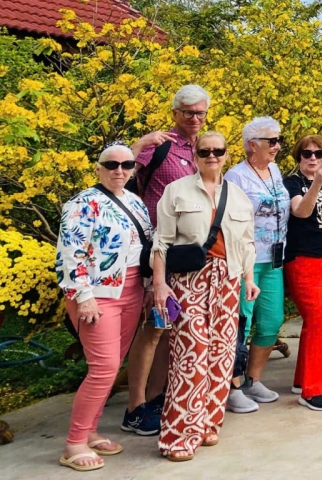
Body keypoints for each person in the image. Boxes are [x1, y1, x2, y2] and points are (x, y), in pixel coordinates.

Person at [152, 132, 257, 461]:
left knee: (222, 356)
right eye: (204, 151)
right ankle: (177, 436)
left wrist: (250, 279)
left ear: (227, 154)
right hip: (189, 281)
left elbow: (247, 243)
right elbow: (161, 242)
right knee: (190, 357)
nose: (212, 156)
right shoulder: (177, 191)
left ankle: (208, 422)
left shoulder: (238, 196)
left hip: (227, 281)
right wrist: (159, 284)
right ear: (194, 155)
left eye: (218, 151)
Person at [55, 144, 153, 470]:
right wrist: (82, 295)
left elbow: (147, 246)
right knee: (104, 368)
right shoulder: (83, 203)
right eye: (111, 164)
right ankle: (75, 442)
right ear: (98, 168)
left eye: (127, 164)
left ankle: (91, 432)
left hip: (132, 289)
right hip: (97, 294)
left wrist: (151, 286)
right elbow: (70, 252)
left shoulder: (135, 202)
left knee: (113, 363)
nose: (119, 170)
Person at [122, 83, 210, 436]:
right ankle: (135, 407)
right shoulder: (161, 147)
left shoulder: (203, 149)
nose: (194, 118)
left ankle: (157, 398)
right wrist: (140, 144)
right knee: (154, 325)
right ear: (175, 113)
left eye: (200, 112)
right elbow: (121, 173)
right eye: (188, 112)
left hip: (187, 253)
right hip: (156, 249)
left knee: (170, 325)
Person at [223, 117, 289, 413]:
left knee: (271, 321)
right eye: (271, 141)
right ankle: (232, 386)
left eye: (278, 140)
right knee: (240, 323)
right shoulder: (236, 177)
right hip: (246, 261)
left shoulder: (274, 170)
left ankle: (253, 379)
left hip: (274, 259)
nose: (277, 146)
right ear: (252, 145)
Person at [281, 134, 322, 411]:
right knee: (318, 320)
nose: (313, 159)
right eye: (307, 154)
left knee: (319, 321)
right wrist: (317, 183)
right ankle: (312, 390)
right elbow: (301, 212)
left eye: (318, 154)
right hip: (304, 257)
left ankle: (304, 378)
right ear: (299, 157)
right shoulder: (292, 182)